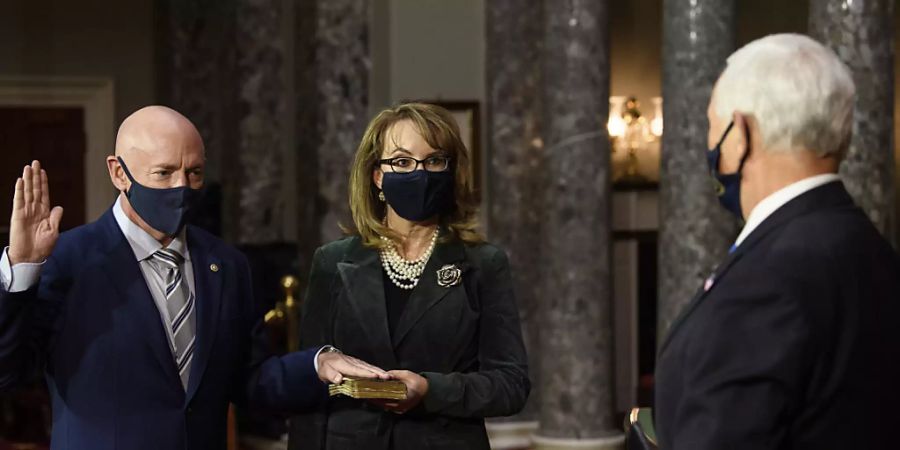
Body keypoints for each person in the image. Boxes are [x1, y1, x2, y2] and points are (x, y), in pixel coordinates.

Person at [0, 106, 389, 450]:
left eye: (194, 172)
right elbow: (8, 372)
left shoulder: (227, 265)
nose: (181, 188)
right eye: (163, 173)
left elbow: (249, 379)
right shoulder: (68, 260)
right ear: (119, 173)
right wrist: (22, 269)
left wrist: (317, 365)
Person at [654, 33, 900, 449]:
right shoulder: (870, 246)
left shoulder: (766, 283)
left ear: (741, 134)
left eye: (713, 128)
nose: (711, 147)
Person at [288, 103, 530, 450]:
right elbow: (309, 385)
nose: (420, 173)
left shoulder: (483, 263)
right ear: (378, 176)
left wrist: (432, 390)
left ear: (450, 171)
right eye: (402, 162)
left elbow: (511, 385)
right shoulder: (333, 262)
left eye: (434, 161)